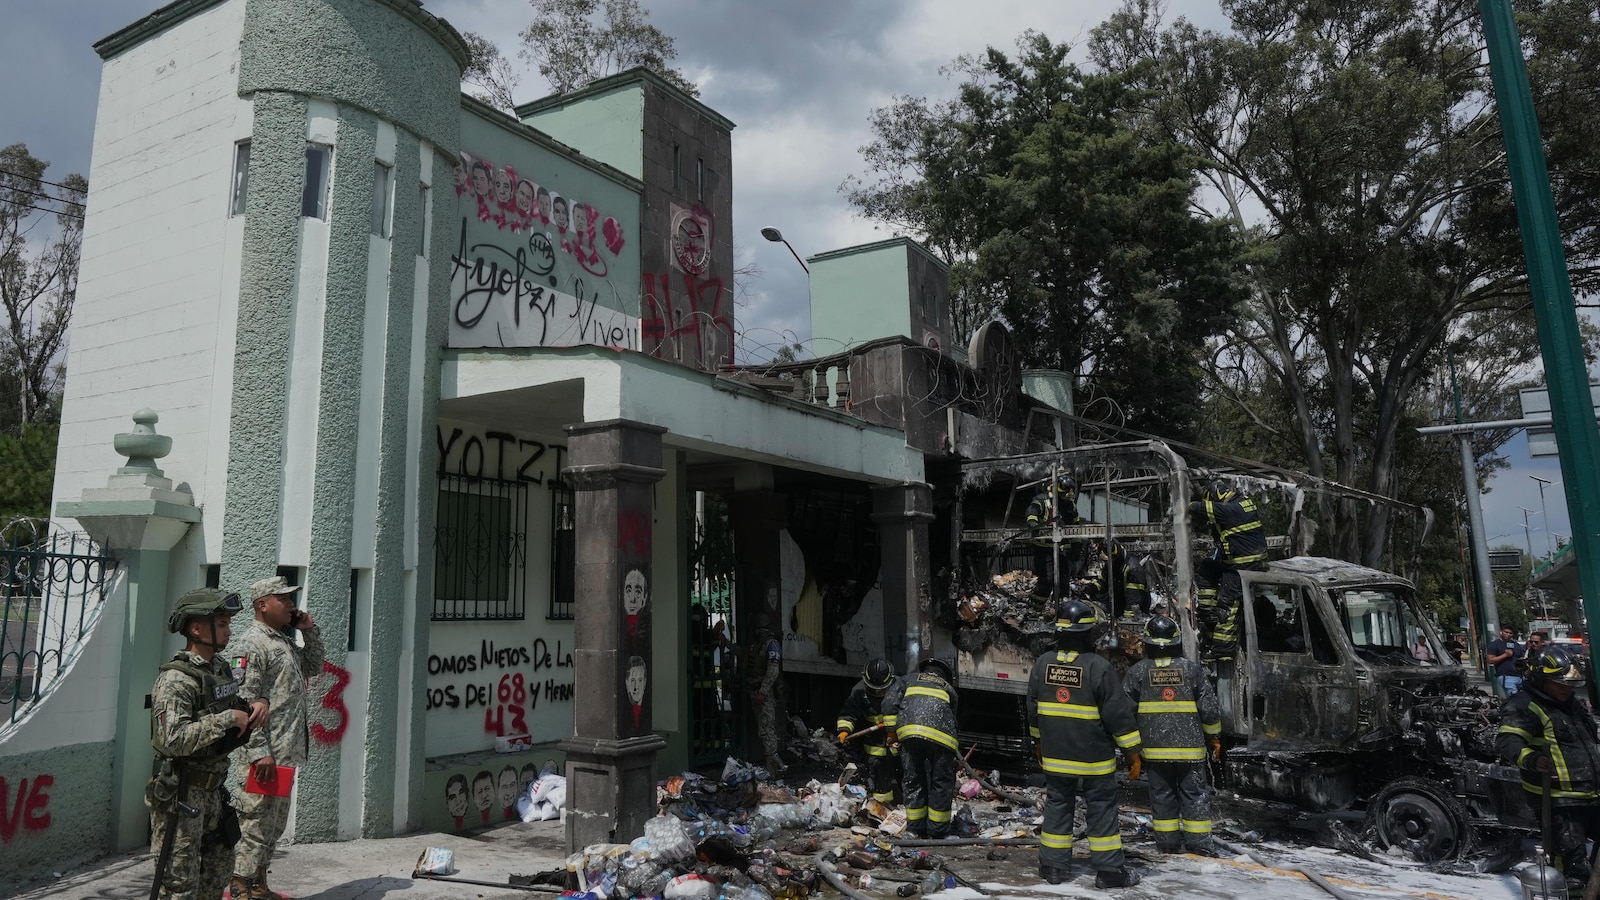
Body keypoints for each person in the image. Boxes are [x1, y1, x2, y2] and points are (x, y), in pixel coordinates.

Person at [148, 588, 256, 900]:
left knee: (217, 875)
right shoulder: (176, 679)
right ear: (197, 629)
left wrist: (250, 711)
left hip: (213, 790)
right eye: (221, 624)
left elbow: (231, 710)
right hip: (182, 793)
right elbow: (172, 739)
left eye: (227, 624)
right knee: (179, 885)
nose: (228, 630)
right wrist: (227, 720)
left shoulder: (219, 670)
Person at [1028, 599, 1142, 888]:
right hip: (1094, 759)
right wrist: (1132, 752)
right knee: (1101, 809)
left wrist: (1038, 742)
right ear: (1088, 633)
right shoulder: (1098, 667)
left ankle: (1053, 868)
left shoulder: (1043, 664)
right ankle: (1109, 872)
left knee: (1057, 806)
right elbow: (1117, 713)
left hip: (1056, 757)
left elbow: (1033, 709)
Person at [230, 575, 325, 900]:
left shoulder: (281, 641)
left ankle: (257, 886)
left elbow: (314, 665)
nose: (289, 604)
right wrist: (259, 752)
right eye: (282, 599)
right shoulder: (251, 644)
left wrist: (307, 629)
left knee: (273, 825)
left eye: (290, 599)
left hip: (284, 753)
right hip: (264, 754)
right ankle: (239, 887)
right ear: (262, 604)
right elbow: (242, 702)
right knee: (255, 823)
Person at [1497, 646, 1600, 891]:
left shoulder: (1572, 704)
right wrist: (1532, 759)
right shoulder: (1525, 706)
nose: (1566, 689)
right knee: (1571, 868)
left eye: (1570, 684)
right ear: (1541, 679)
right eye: (1559, 683)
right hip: (1558, 800)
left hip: (1591, 793)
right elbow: (1507, 741)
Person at [1123, 615, 1221, 856]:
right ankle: (1199, 846)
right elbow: (1209, 709)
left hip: (1154, 753)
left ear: (1147, 643)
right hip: (1191, 753)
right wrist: (1214, 738)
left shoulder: (1137, 672)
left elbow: (1124, 713)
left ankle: (1167, 845)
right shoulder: (1191, 670)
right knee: (1195, 796)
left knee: (1162, 796)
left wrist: (1131, 751)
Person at [1188, 480, 1268, 659]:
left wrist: (1182, 504)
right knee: (1207, 567)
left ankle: (1222, 653)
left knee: (1228, 604)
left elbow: (1199, 508)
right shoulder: (1241, 502)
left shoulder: (1230, 510)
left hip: (1243, 564)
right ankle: (1208, 614)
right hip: (1236, 560)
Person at [896, 657, 960, 838]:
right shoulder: (949, 689)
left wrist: (892, 732)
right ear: (945, 676)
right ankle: (938, 832)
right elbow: (953, 720)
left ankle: (915, 830)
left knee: (913, 779)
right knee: (941, 782)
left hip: (910, 734)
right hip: (942, 739)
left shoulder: (908, 679)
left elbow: (888, 704)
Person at [836, 658, 905, 804]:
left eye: (881, 689)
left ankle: (909, 806)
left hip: (898, 739)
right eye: (874, 689)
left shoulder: (900, 686)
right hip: (876, 743)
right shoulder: (859, 691)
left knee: (905, 775)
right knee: (880, 780)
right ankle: (883, 809)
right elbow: (848, 712)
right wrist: (844, 730)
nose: (878, 692)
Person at [1026, 474, 1082, 598]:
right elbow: (1032, 513)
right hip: (1044, 549)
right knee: (1047, 580)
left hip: (1064, 550)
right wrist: (1033, 524)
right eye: (1063, 495)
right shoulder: (1042, 500)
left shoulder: (1070, 505)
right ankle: (1035, 608)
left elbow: (1076, 526)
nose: (1066, 499)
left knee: (1064, 581)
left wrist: (1077, 545)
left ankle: (1062, 608)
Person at [748, 608, 785, 775]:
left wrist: (763, 692)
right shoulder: (758, 644)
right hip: (756, 691)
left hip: (765, 693)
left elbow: (773, 671)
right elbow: (743, 654)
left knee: (767, 729)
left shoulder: (771, 644)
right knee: (762, 729)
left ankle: (773, 767)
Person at [1081, 538, 1152, 620]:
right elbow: (1102, 583)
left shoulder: (1133, 568)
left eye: (1109, 561)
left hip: (1134, 612)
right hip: (1117, 607)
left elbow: (1134, 599)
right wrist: (1089, 588)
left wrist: (1127, 618)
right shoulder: (1111, 566)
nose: (1106, 564)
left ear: (1117, 557)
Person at [1487, 627, 1523, 696]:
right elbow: (1490, 660)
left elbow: (1521, 657)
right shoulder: (1495, 644)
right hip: (1506, 677)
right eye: (1506, 632)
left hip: (1520, 677)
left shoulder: (1516, 645)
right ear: (1501, 632)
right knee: (1513, 699)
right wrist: (1505, 655)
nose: (1508, 634)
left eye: (1510, 633)